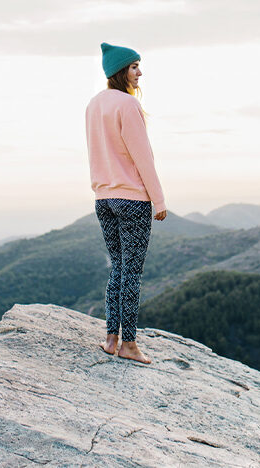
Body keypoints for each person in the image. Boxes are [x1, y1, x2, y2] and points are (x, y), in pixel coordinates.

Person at [85, 41, 167, 365]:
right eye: (134, 66)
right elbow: (141, 156)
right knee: (131, 269)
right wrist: (157, 198)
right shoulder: (127, 105)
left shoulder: (93, 105)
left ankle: (111, 338)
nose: (139, 72)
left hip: (103, 197)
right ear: (121, 71)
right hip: (132, 198)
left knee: (117, 267)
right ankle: (129, 344)